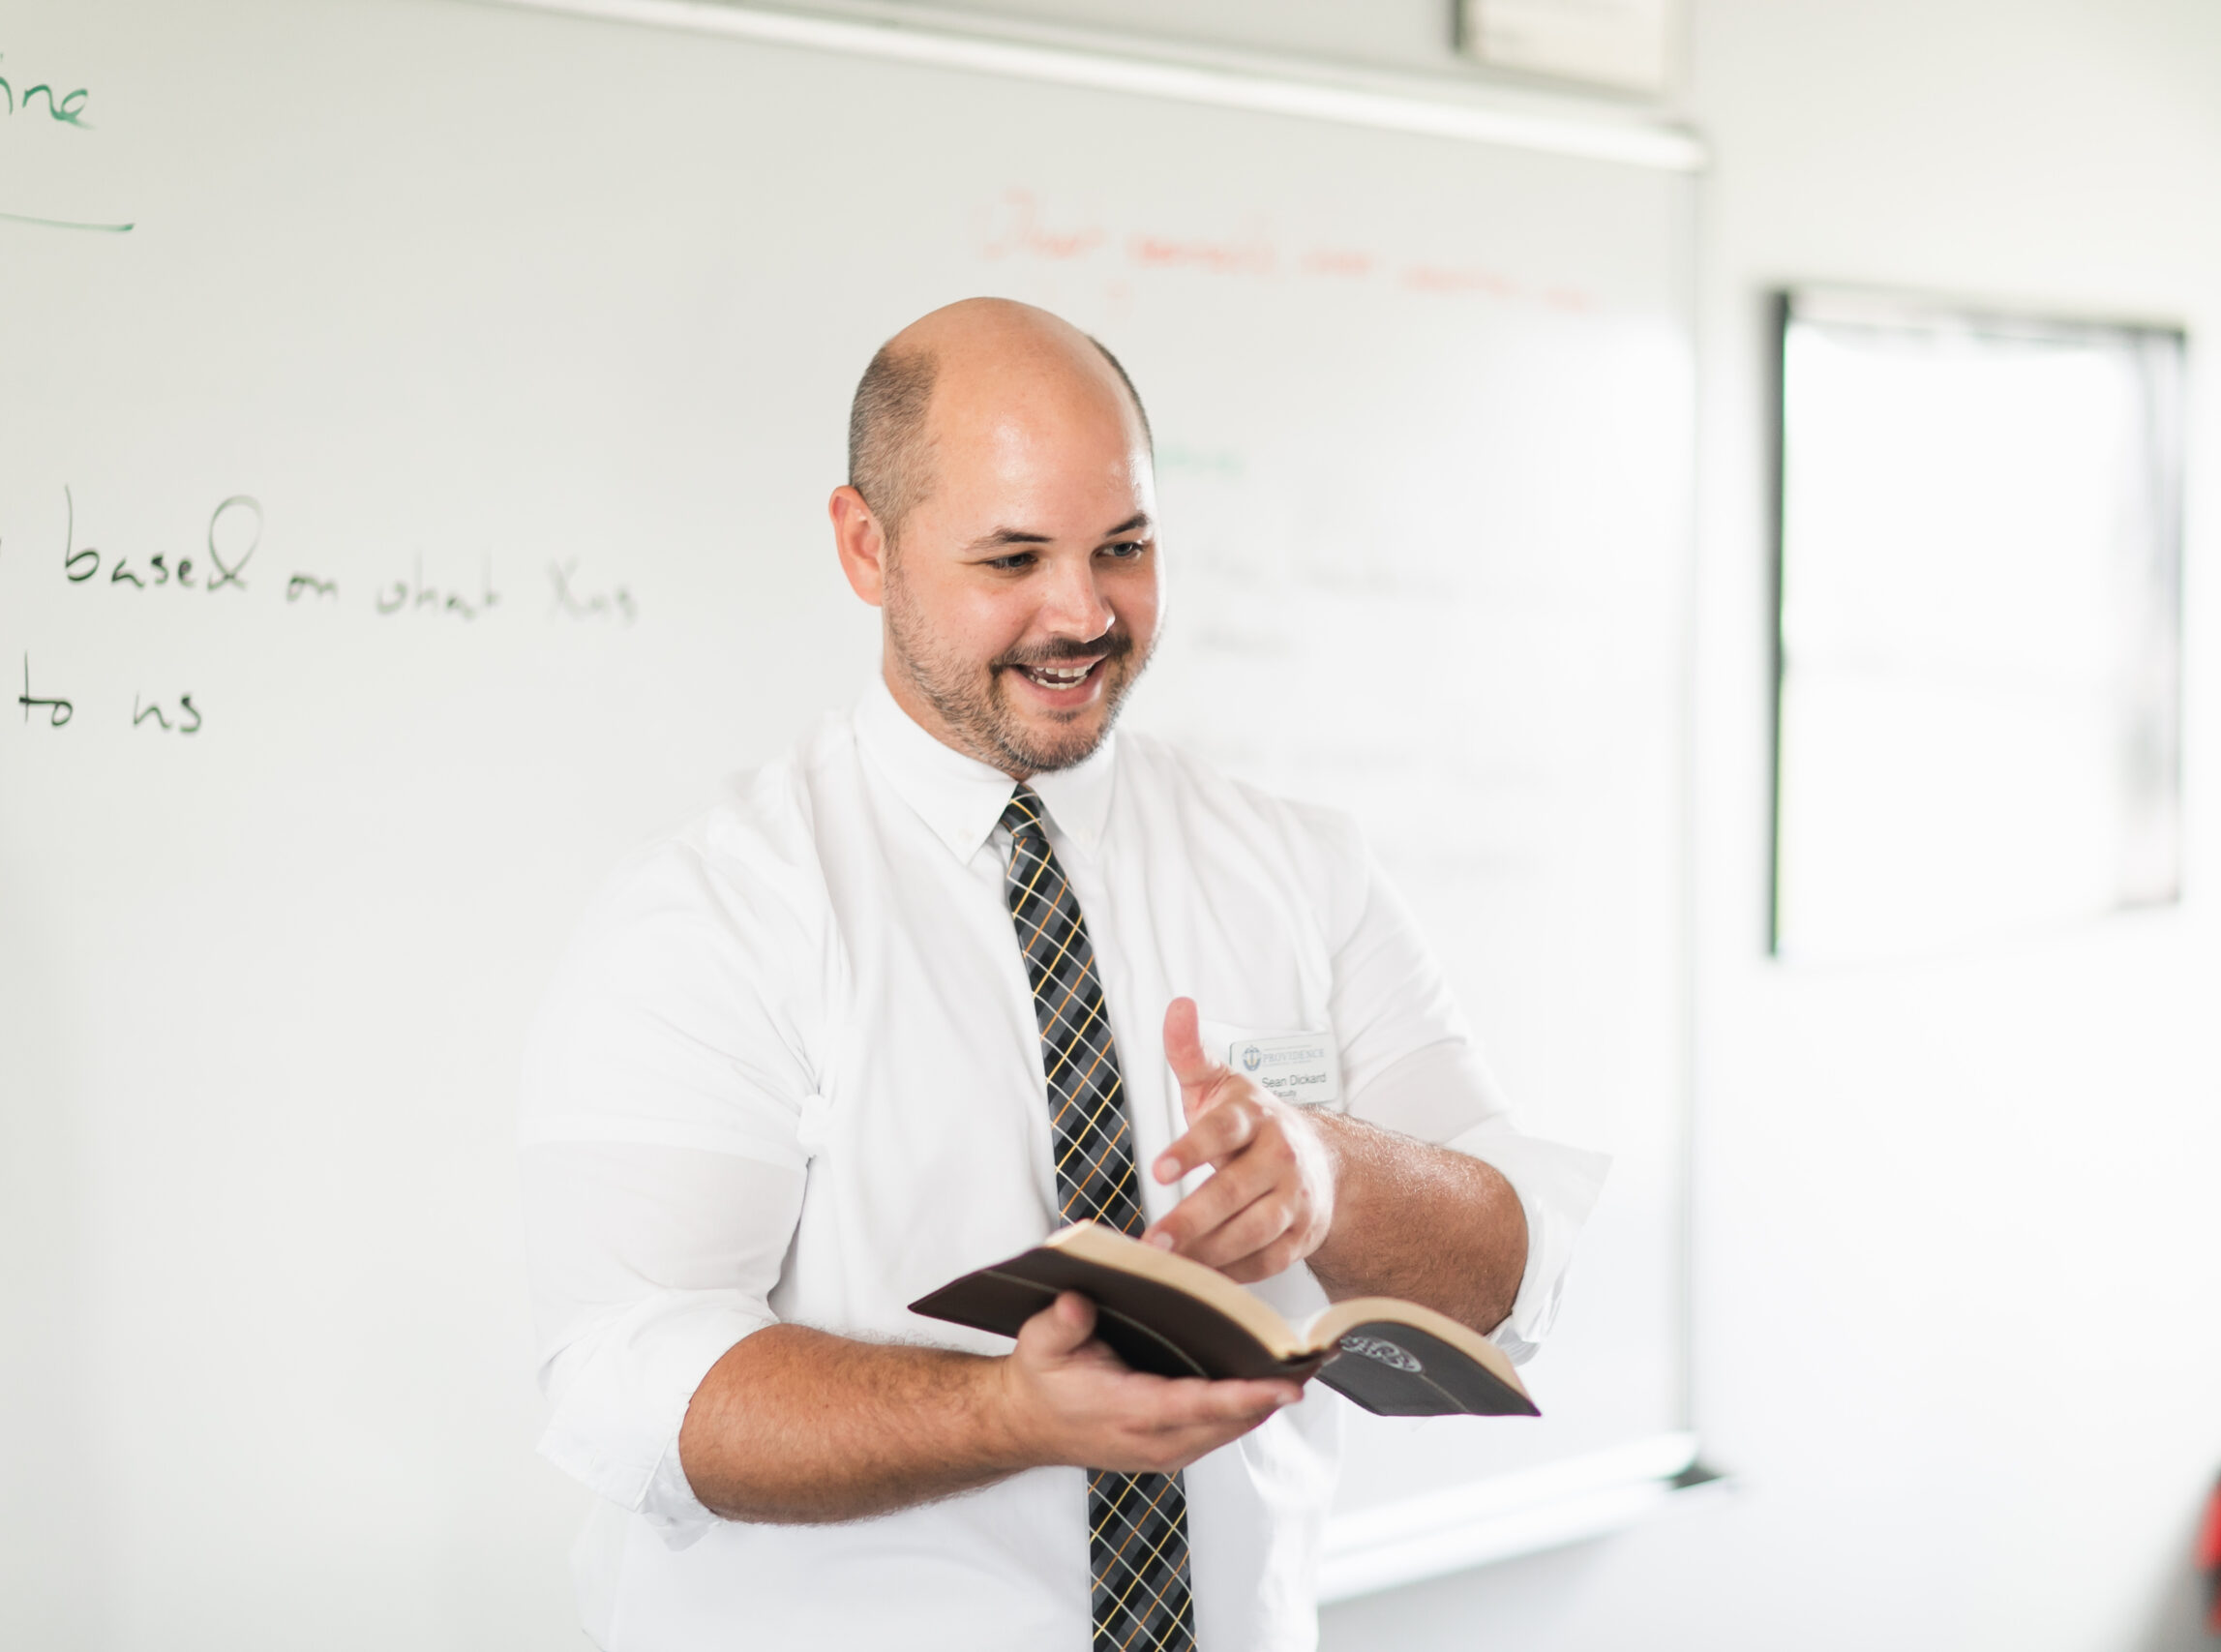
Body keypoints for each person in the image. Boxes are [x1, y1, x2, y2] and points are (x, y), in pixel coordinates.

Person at [518, 297, 1607, 1652]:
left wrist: (1334, 1178)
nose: (1083, 612)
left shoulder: (1299, 869)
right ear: (867, 546)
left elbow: (1511, 1285)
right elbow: (626, 1383)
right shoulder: (717, 910)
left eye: (1125, 548)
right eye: (1014, 556)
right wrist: (1005, 1416)